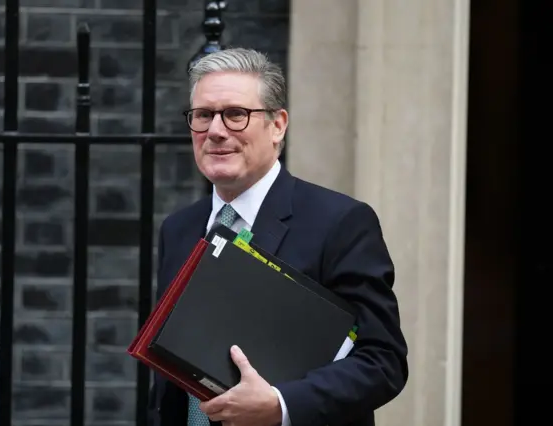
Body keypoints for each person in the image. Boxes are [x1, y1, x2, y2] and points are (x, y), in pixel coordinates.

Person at [148, 47, 408, 426]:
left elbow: (382, 361)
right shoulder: (179, 229)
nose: (216, 131)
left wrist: (281, 404)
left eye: (236, 114)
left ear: (278, 125)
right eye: (203, 115)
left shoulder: (341, 223)